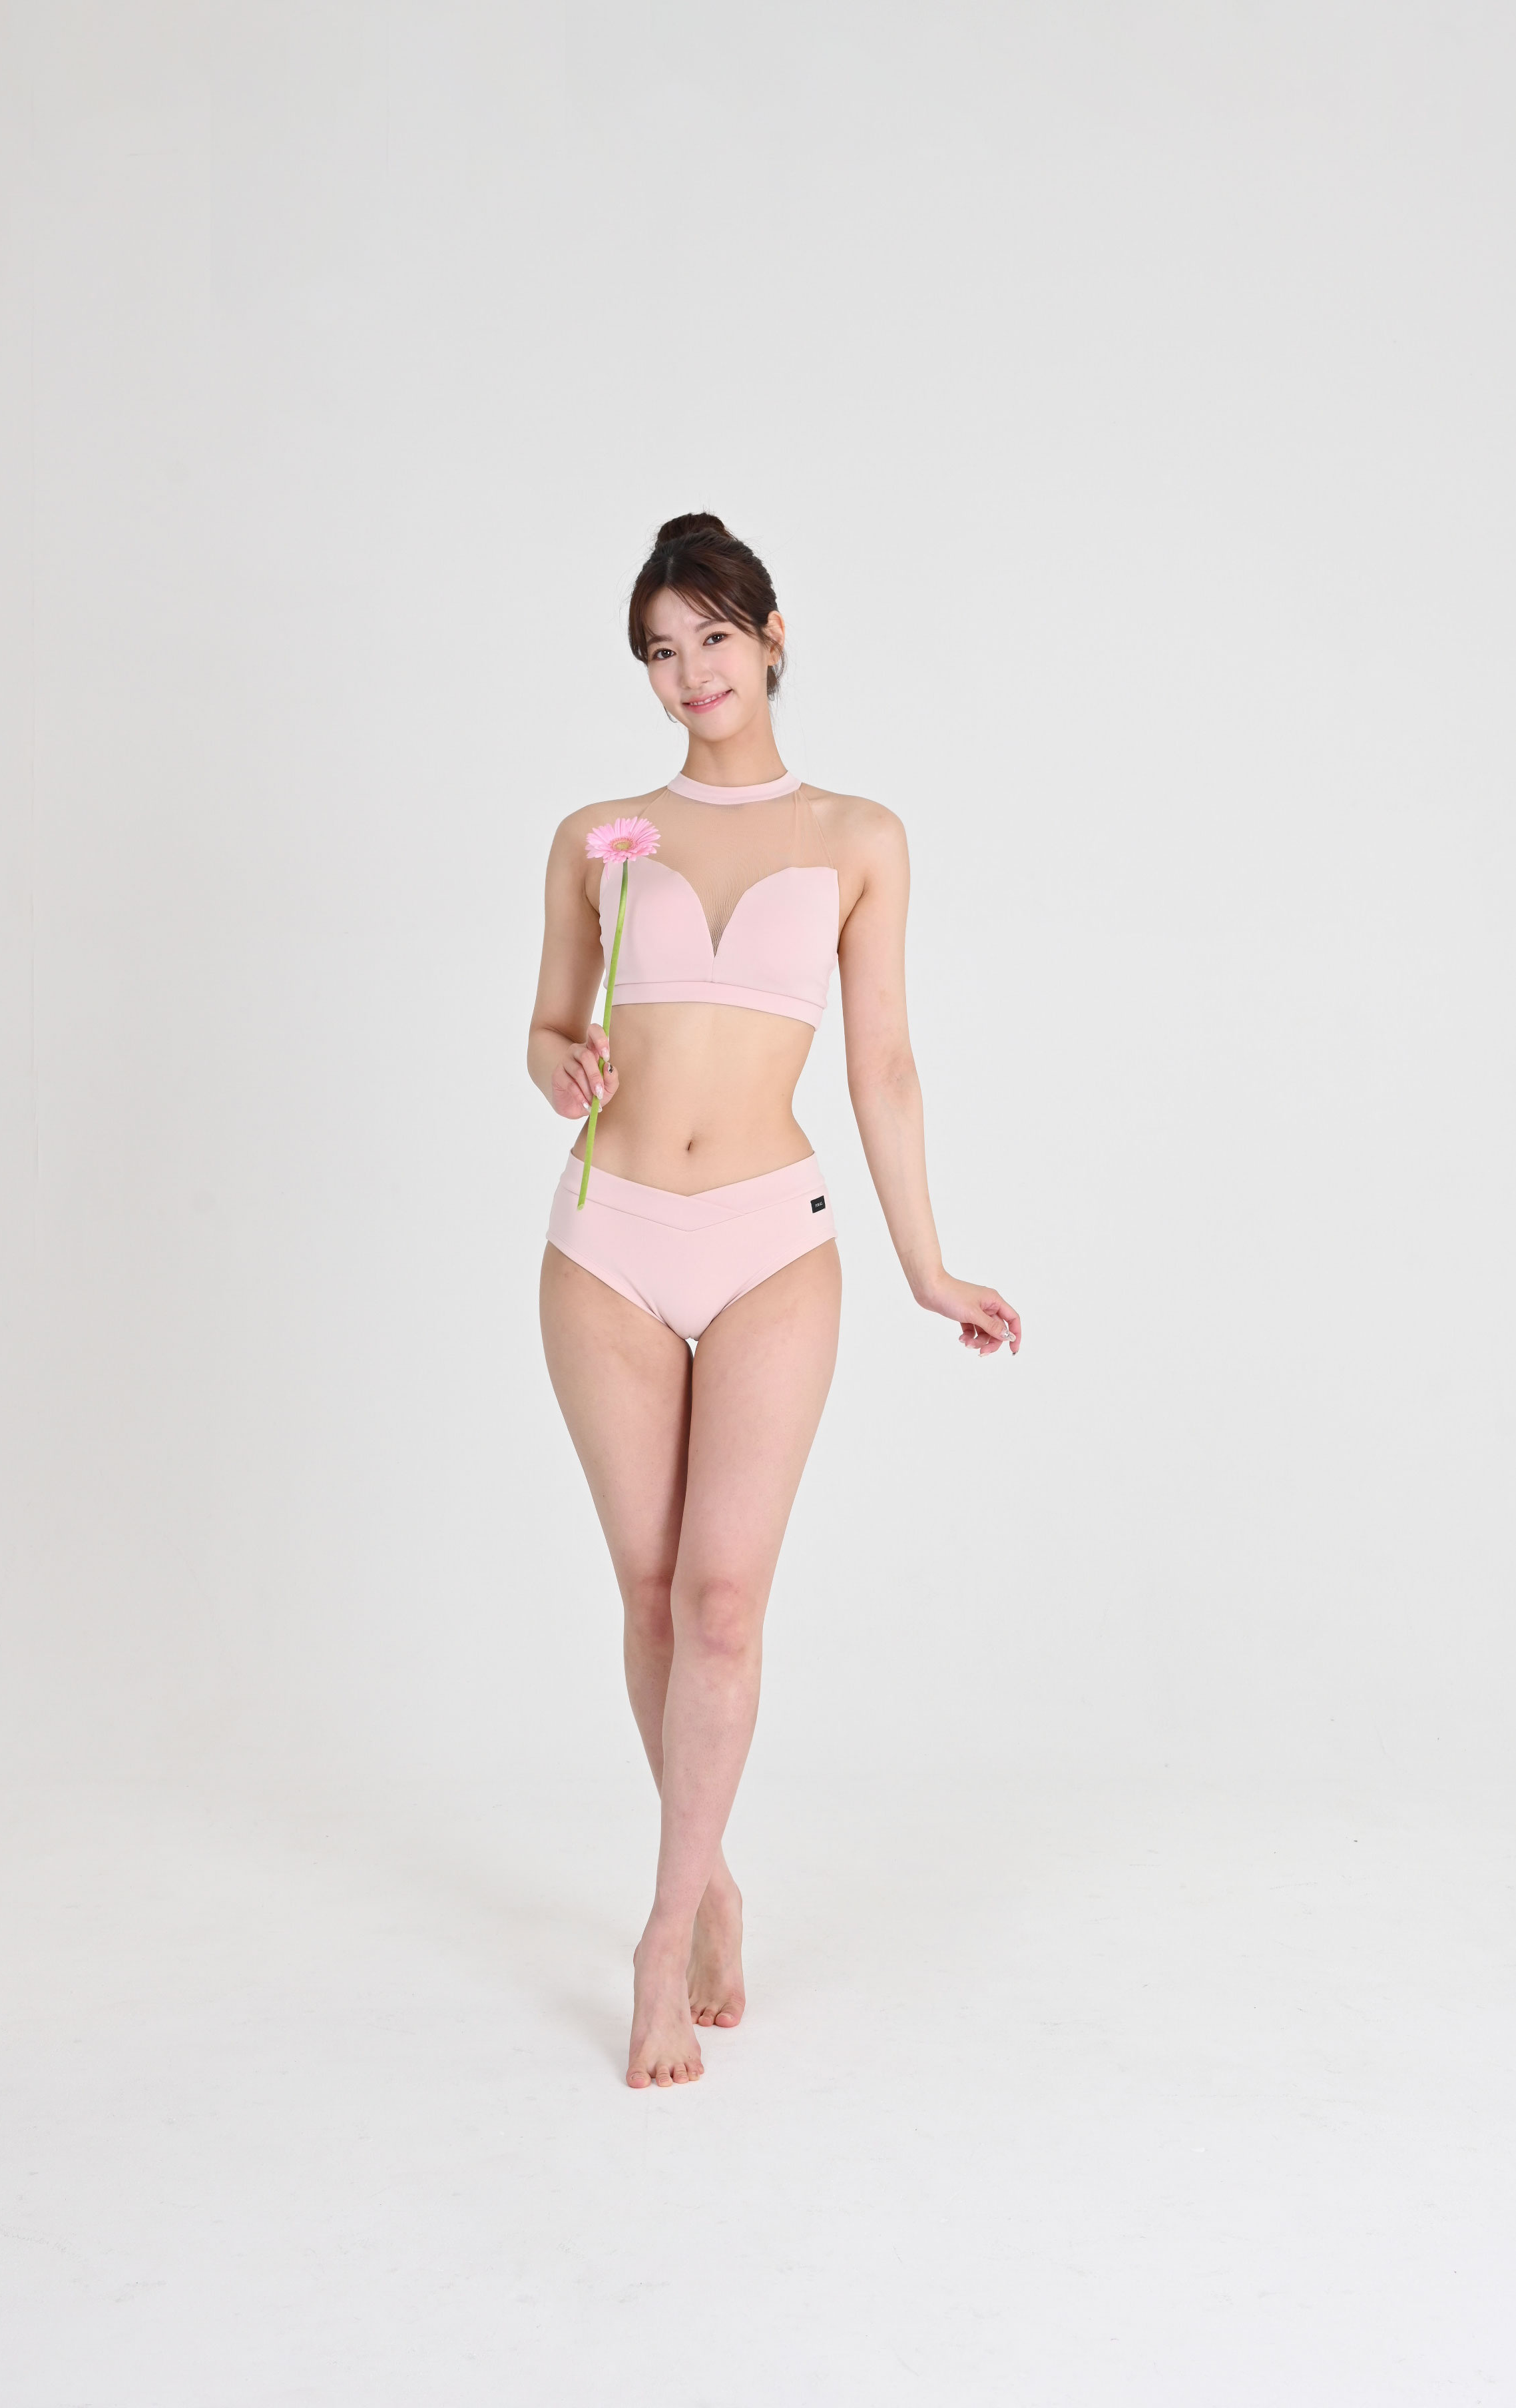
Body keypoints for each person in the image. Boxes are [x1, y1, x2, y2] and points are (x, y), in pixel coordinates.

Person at [528, 514, 1021, 2090]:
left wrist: (926, 1261)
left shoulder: (858, 834)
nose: (689, 674)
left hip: (767, 1241)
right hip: (606, 1239)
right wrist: (560, 1064)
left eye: (713, 639)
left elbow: (883, 1062)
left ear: (772, 635)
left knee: (724, 1603)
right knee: (650, 1593)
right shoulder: (599, 832)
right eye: (659, 651)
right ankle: (716, 1873)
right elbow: (545, 1028)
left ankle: (663, 1931)